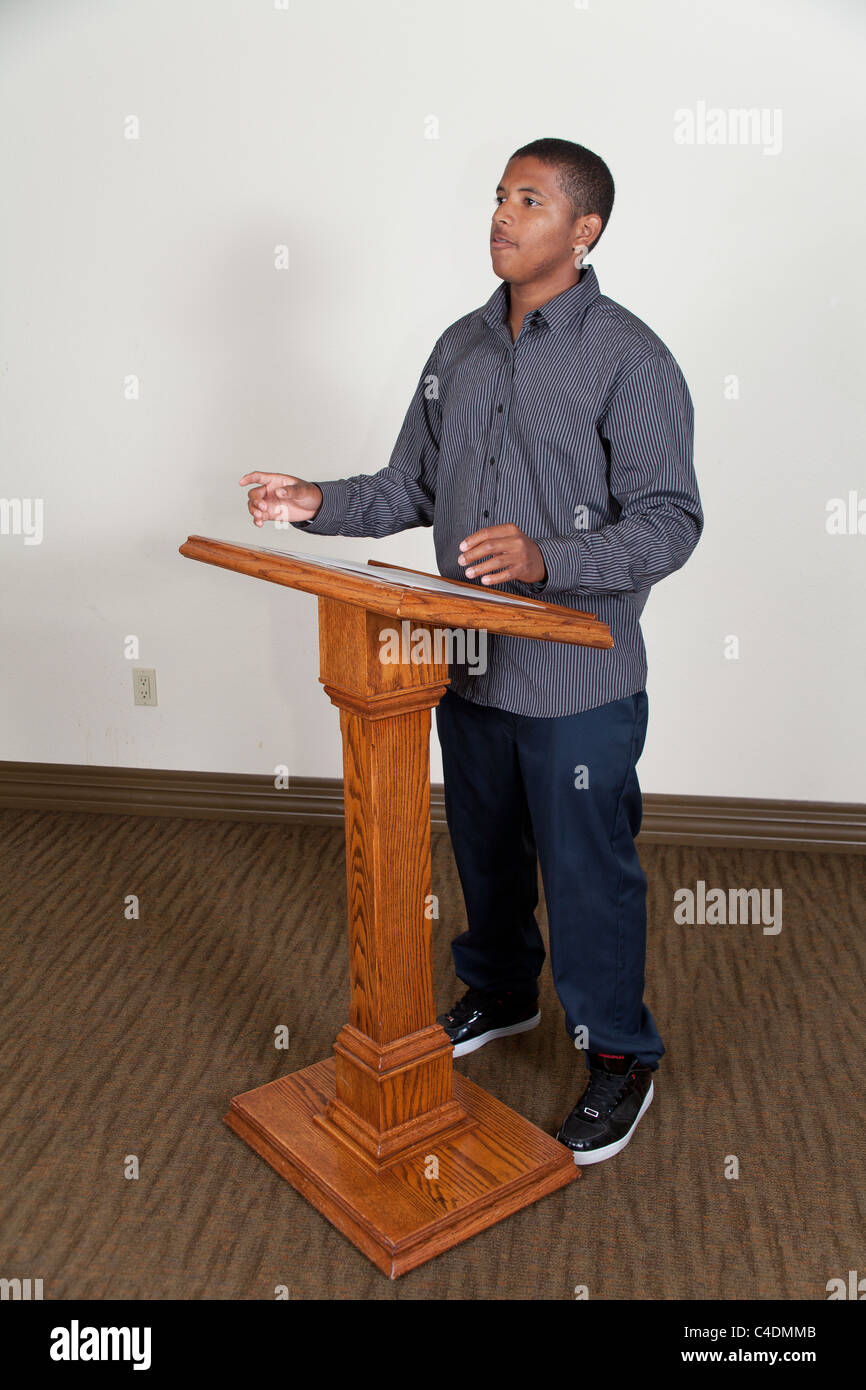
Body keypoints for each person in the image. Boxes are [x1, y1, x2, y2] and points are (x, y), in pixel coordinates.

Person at [239, 136, 703, 1166]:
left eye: (529, 201)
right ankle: (499, 991)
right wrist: (316, 503)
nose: (501, 216)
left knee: (587, 871)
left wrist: (547, 558)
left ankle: (618, 1055)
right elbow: (409, 485)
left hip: (576, 675)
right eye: (498, 196)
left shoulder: (629, 358)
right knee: (485, 853)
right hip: (467, 665)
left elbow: (670, 520)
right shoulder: (457, 347)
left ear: (581, 231)